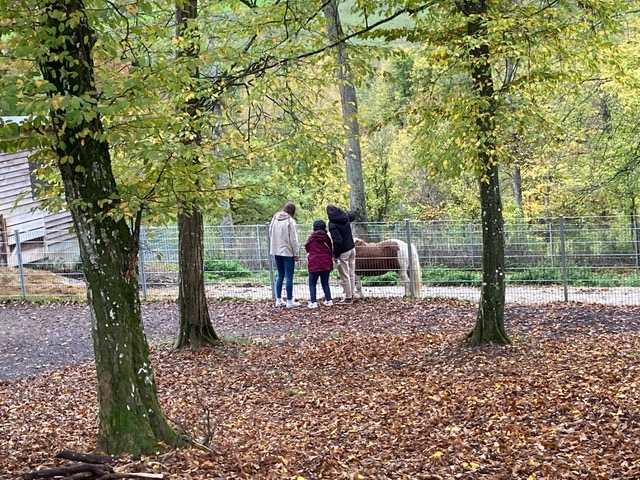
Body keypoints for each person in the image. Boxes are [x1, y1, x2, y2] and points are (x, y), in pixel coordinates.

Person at [269, 201, 300, 308]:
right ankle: (290, 300)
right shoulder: (290, 221)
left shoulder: (275, 218)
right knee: (289, 276)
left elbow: (270, 232)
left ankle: (278, 299)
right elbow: (294, 239)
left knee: (280, 274)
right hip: (287, 252)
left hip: (275, 250)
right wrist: (296, 253)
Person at [326, 203, 356, 304]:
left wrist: (335, 254)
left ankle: (348, 297)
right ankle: (352, 294)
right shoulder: (345, 216)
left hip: (343, 251)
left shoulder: (332, 224)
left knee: (344, 274)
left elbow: (337, 241)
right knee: (351, 273)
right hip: (352, 248)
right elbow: (353, 214)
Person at [305, 219, 334, 309]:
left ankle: (313, 302)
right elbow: (331, 248)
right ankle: (329, 300)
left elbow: (307, 248)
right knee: (325, 282)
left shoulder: (311, 238)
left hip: (314, 263)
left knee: (312, 283)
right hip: (326, 263)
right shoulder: (327, 238)